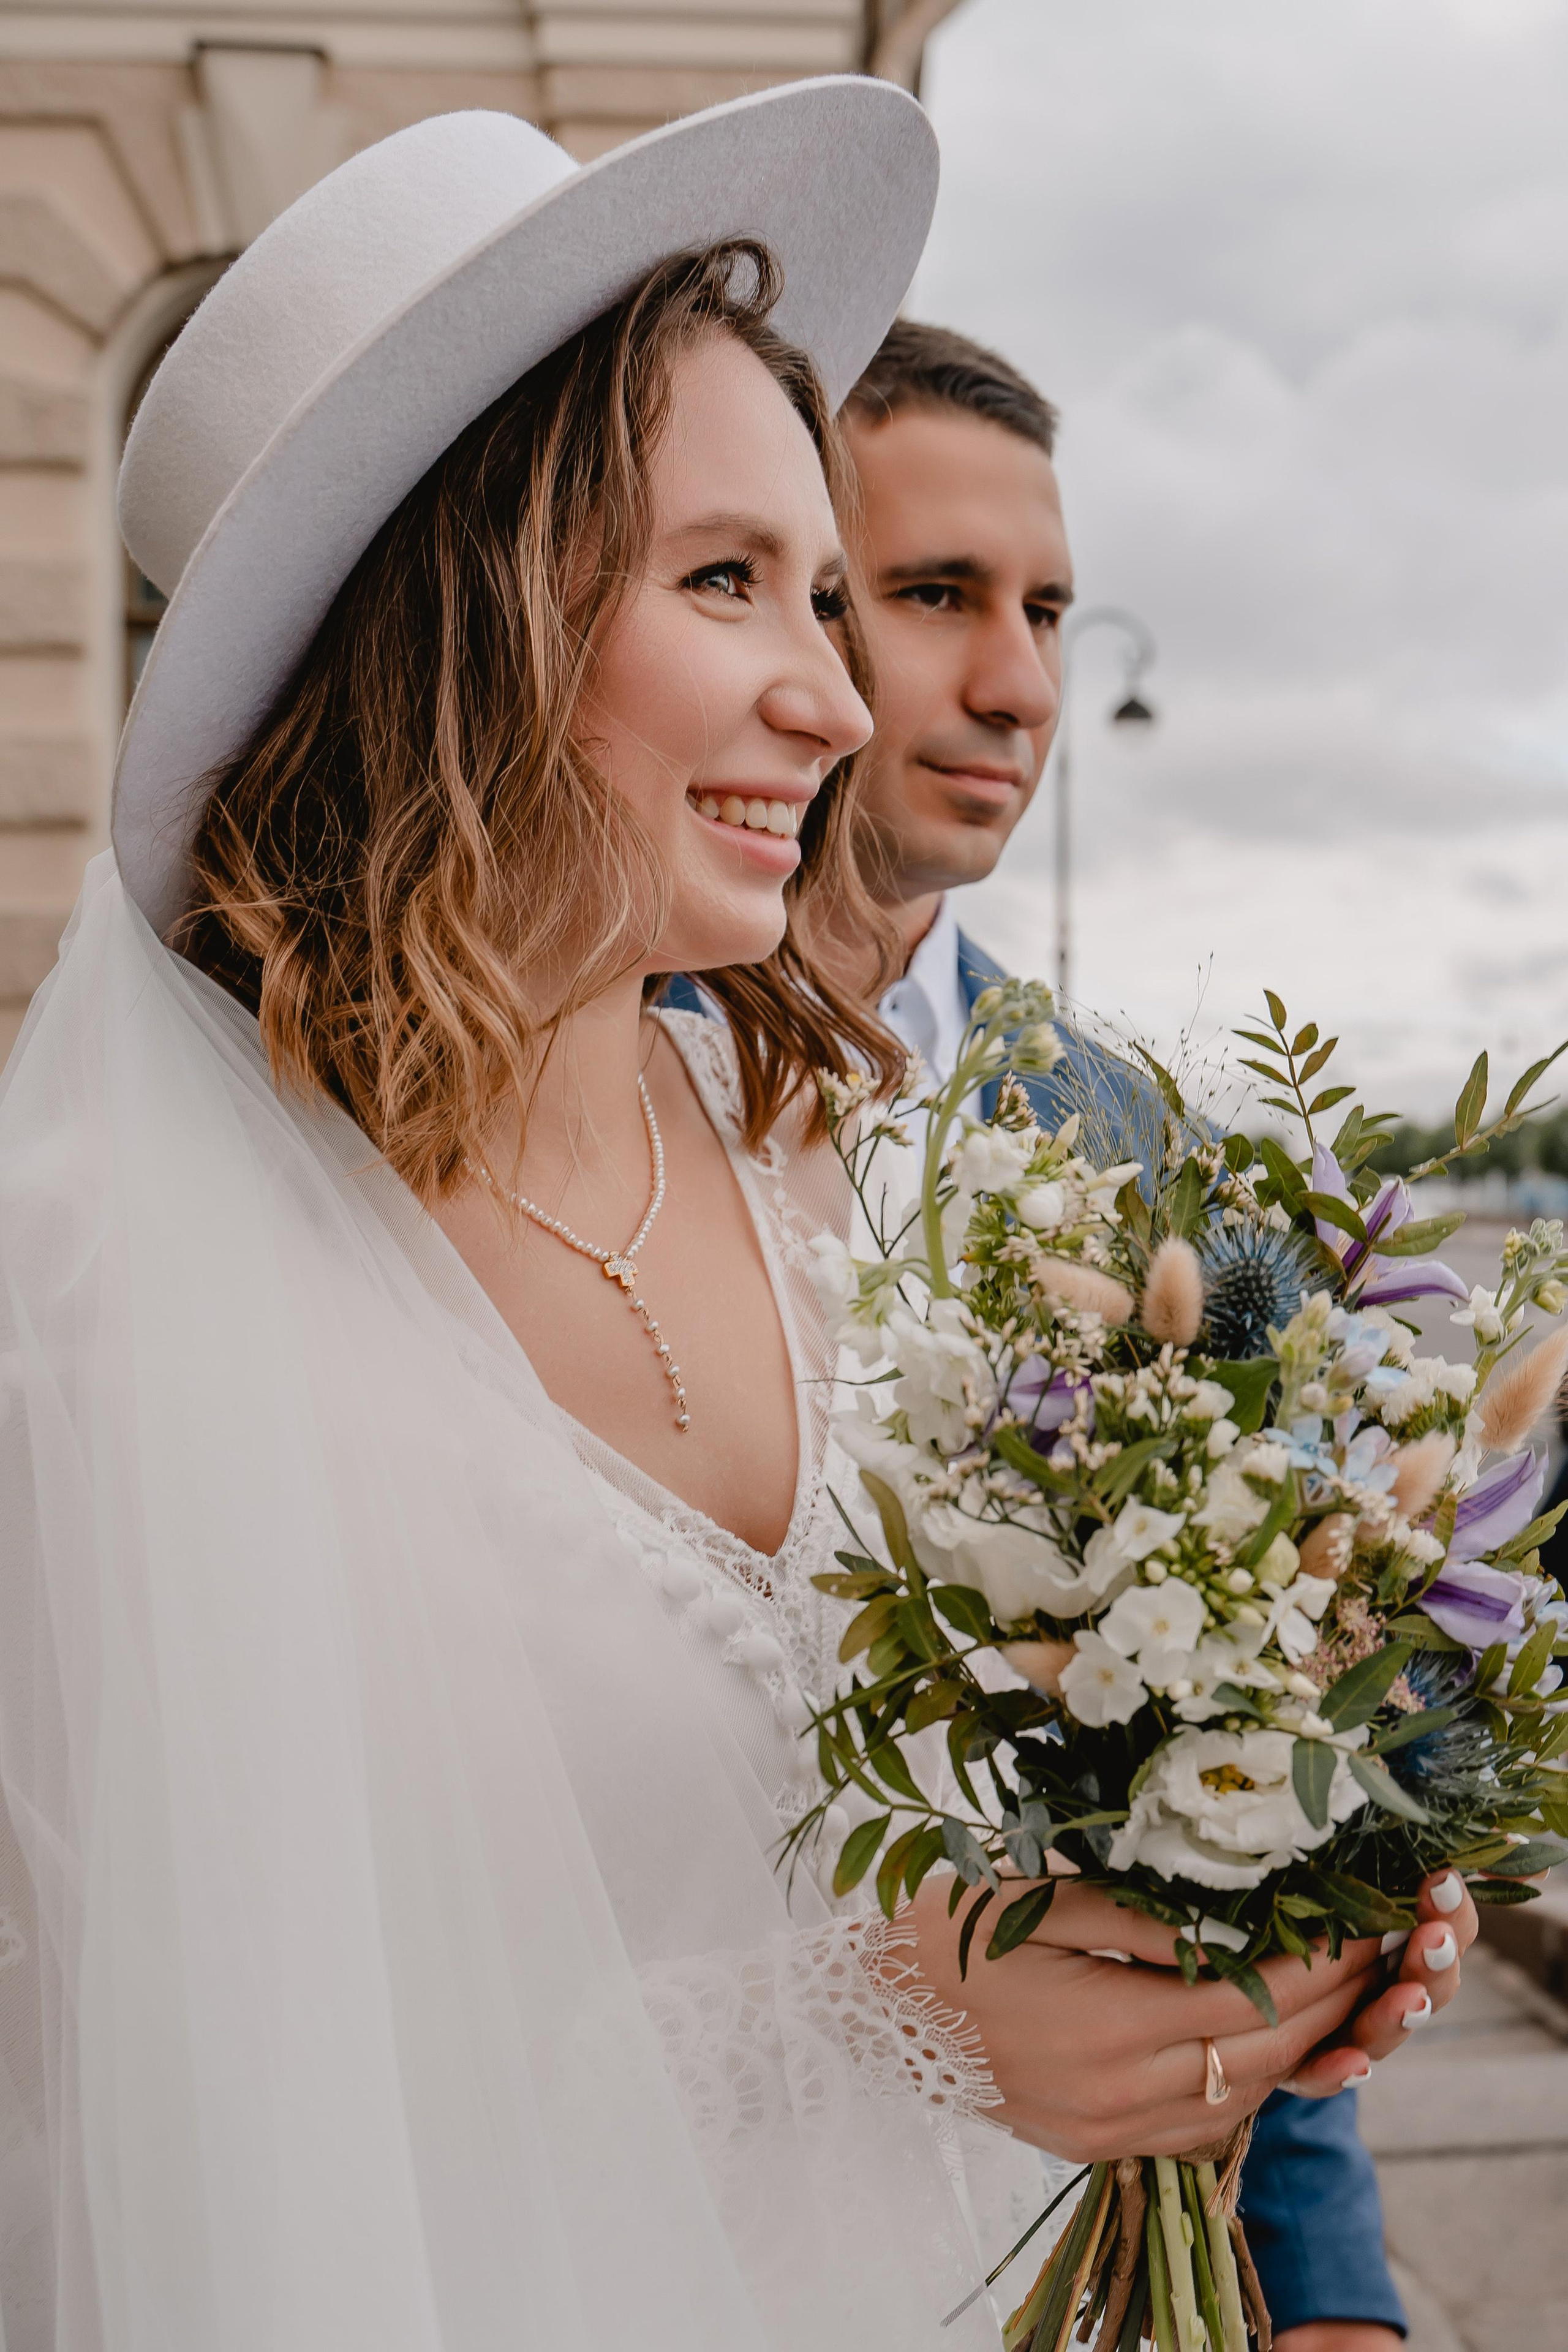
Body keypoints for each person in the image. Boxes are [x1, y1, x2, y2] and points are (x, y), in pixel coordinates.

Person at [0, 87, 1471, 2351]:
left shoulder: (844, 1161)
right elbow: (142, 2147)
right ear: (455, 622)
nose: (839, 690)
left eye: (818, 582)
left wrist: (1264, 1897)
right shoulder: (111, 1302)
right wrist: (868, 2026)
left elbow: (993, 1821)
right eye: (723, 580)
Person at [816, 315, 1417, 2350]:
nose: (1024, 686)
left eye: (1054, 611)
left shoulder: (1120, 1128)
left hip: (1096, 2238)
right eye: (935, 598)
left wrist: (1325, 2282)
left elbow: (1235, 1760)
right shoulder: (553, 1108)